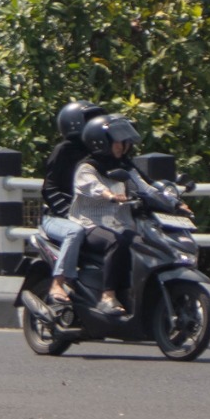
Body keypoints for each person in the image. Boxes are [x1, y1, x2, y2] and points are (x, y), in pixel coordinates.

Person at [69, 114, 182, 318]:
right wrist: (110, 195)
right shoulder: (88, 168)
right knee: (116, 243)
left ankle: (135, 294)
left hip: (119, 224)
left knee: (146, 244)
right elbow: (92, 186)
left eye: (125, 142)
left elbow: (145, 188)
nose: (123, 146)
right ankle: (108, 296)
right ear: (102, 142)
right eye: (117, 141)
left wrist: (176, 203)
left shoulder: (125, 167)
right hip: (90, 225)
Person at [38, 101, 105, 317]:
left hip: (94, 216)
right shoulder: (64, 150)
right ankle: (58, 282)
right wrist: (70, 212)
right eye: (90, 120)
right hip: (58, 217)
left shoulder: (102, 151)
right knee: (74, 231)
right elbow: (50, 188)